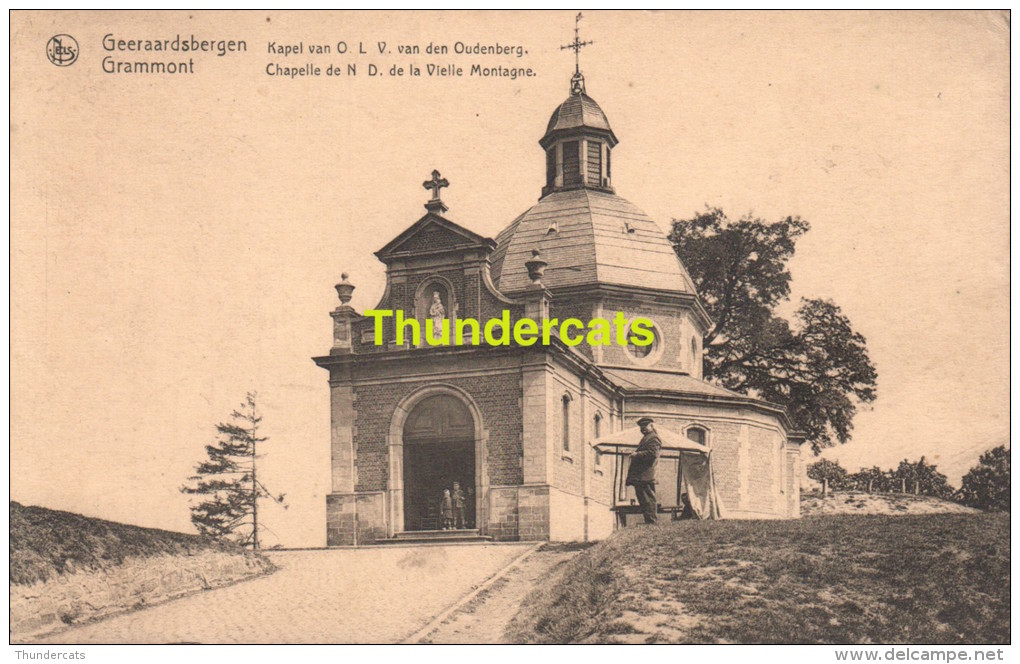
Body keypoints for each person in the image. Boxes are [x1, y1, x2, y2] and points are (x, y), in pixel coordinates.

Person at [626, 417, 662, 524]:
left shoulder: (653, 438)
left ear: (651, 426)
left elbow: (652, 454)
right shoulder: (647, 438)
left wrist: (637, 454)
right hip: (641, 475)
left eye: (645, 426)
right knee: (643, 498)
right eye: (641, 427)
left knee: (648, 499)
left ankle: (651, 521)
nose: (643, 429)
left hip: (645, 474)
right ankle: (649, 521)